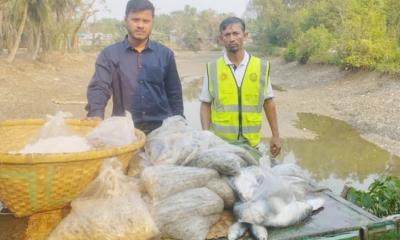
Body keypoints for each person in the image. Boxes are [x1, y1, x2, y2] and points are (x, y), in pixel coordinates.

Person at [86, 0, 183, 134]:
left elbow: (174, 93)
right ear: (126, 20)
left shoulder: (165, 54)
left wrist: (179, 123)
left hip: (162, 130)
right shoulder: (109, 55)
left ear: (152, 22)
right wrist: (96, 114)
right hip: (124, 130)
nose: (140, 25)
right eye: (135, 20)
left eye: (145, 21)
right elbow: (99, 87)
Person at [199, 17, 281, 157]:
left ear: (245, 36)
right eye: (227, 35)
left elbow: (269, 103)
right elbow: (205, 104)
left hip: (252, 145)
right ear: (221, 38)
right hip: (221, 146)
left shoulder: (261, 67)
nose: (232, 38)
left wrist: (276, 135)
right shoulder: (212, 68)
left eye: (236, 33)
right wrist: (206, 136)